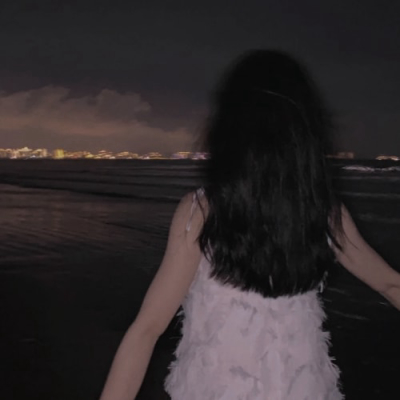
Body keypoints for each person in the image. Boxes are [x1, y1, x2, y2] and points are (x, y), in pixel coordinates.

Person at [99, 50, 400, 400]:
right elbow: (390, 284)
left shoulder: (203, 211)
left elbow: (148, 328)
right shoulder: (323, 212)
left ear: (232, 130)